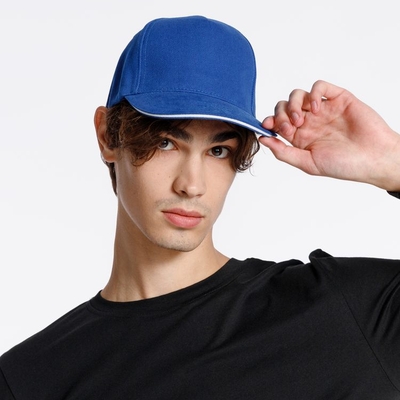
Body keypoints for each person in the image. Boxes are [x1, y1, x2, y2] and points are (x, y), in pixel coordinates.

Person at [1, 15, 399, 400]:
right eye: (165, 143)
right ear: (108, 136)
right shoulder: (29, 379)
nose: (192, 185)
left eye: (218, 150)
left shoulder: (340, 310)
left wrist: (391, 161)